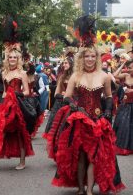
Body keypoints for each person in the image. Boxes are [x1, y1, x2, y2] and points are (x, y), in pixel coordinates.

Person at [51, 46, 125, 195]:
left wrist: (109, 111)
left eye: (92, 56)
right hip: (79, 119)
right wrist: (73, 105)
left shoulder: (103, 76)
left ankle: (90, 190)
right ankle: (81, 188)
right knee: (81, 156)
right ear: (82, 58)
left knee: (93, 156)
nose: (90, 59)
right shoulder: (75, 76)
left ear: (97, 58)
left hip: (98, 120)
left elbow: (109, 96)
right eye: (87, 56)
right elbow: (66, 96)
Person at [0, 48, 34, 170]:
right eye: (10, 57)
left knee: (20, 132)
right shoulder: (4, 73)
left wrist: (18, 94)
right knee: (1, 131)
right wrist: (4, 97)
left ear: (18, 59)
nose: (12, 59)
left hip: (18, 105)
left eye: (14, 57)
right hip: (6, 105)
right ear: (7, 59)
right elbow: (5, 91)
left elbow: (27, 91)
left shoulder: (22, 73)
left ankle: (22, 161)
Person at [43, 57, 74, 156]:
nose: (64, 65)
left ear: (71, 64)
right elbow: (56, 94)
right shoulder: (61, 77)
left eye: (66, 63)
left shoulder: (76, 76)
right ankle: (60, 151)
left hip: (73, 104)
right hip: (61, 104)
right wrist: (64, 95)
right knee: (59, 128)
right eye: (63, 63)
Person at [113, 60, 133, 155]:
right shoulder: (126, 75)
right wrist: (123, 65)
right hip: (125, 106)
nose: (129, 69)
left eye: (131, 68)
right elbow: (115, 75)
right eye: (128, 67)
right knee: (123, 126)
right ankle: (124, 146)